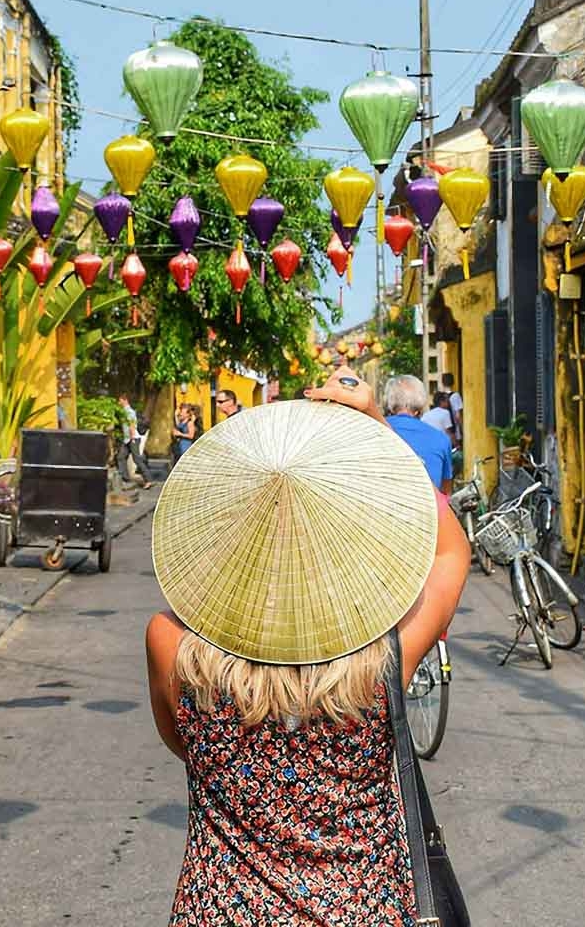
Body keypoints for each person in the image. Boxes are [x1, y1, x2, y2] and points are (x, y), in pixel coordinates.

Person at [145, 371, 470, 925]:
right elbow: (448, 553)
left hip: (220, 911)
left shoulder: (170, 642)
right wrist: (378, 431)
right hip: (365, 910)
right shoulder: (382, 660)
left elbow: (182, 743)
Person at [381, 374, 454, 492]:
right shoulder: (441, 439)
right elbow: (446, 491)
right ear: (421, 404)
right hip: (427, 508)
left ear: (390, 402)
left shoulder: (375, 429)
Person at [118, 394, 152, 490]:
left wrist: (132, 438)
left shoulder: (129, 411)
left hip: (132, 439)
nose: (119, 403)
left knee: (137, 459)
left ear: (124, 400)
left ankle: (148, 479)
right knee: (121, 457)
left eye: (120, 400)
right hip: (127, 439)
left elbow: (132, 424)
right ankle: (125, 478)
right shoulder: (125, 411)